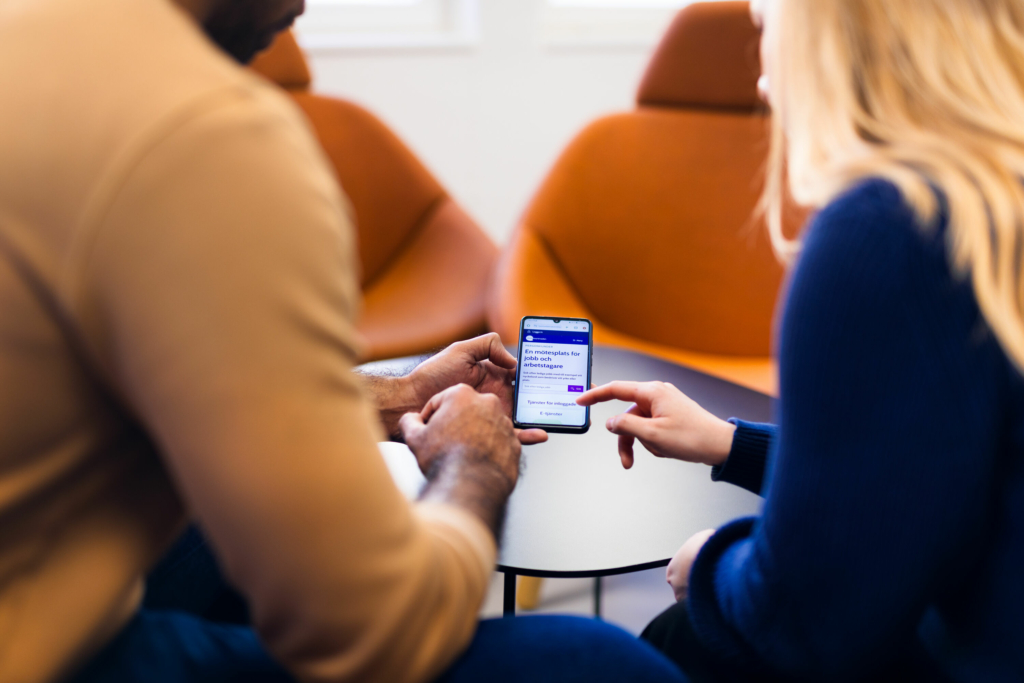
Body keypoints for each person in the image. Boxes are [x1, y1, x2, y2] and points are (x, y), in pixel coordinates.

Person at [0, 1, 684, 682]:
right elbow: (380, 634)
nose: (304, 6)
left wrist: (401, 395)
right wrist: (474, 467)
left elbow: (183, 403)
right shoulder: (203, 129)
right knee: (603, 661)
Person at [577, 0, 1024, 681]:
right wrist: (731, 442)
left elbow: (807, 623)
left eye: (766, 30)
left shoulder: (886, 235)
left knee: (654, 642)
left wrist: (711, 563)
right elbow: (953, 467)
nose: (762, 81)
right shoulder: (993, 203)